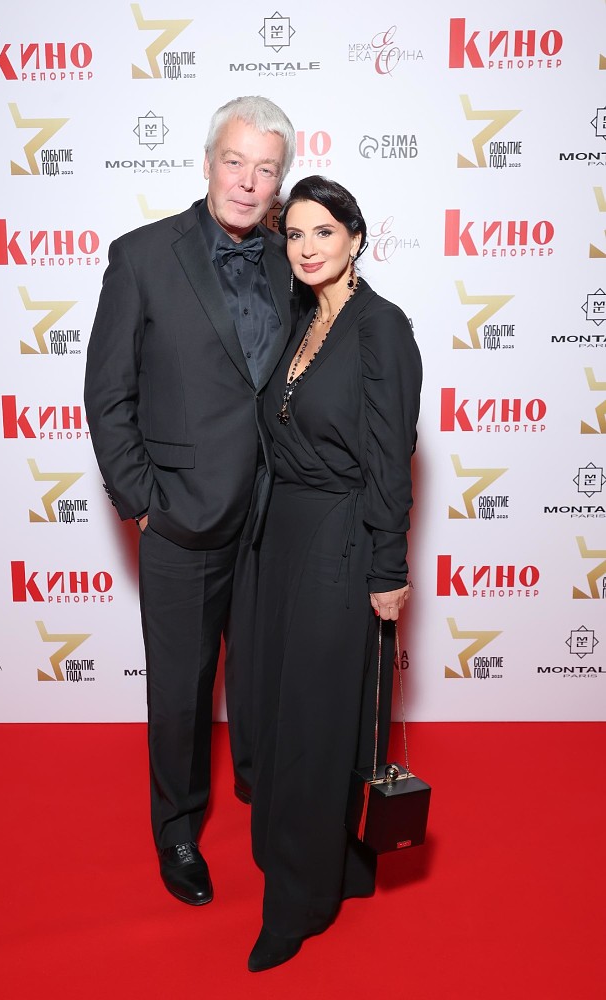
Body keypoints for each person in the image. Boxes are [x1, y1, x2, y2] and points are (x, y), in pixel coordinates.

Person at [84, 96, 297, 907]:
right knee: (180, 689)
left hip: (276, 517)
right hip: (183, 517)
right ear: (208, 161)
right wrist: (144, 501)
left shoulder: (292, 255)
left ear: (279, 180)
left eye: (265, 169)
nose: (247, 181)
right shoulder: (142, 256)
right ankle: (176, 829)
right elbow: (108, 394)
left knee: (267, 676)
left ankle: (265, 793)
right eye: (234, 161)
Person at [247, 175, 422, 971]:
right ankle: (336, 866)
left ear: (355, 237)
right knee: (284, 710)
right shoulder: (300, 318)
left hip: (340, 541)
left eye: (323, 231)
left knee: (315, 726)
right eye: (294, 234)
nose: (306, 247)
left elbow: (389, 459)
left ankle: (297, 901)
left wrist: (387, 565)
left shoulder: (381, 328)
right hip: (281, 537)